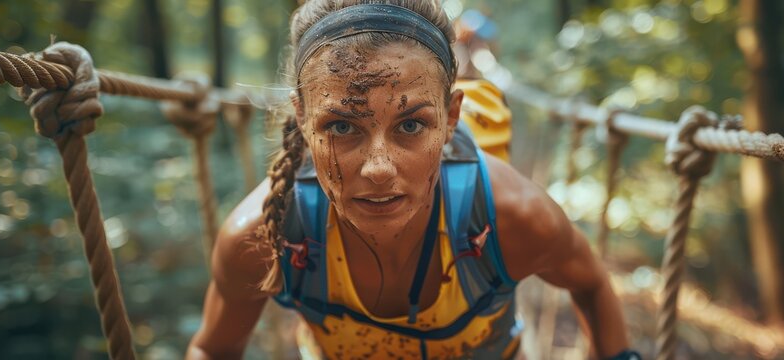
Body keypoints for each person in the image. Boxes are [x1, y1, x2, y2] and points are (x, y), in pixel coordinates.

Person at [187, 1, 636, 359]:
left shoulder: (511, 217)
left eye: (410, 125)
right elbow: (212, 348)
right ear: (302, 118)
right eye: (342, 127)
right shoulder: (265, 236)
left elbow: (591, 283)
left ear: (451, 118)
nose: (378, 168)